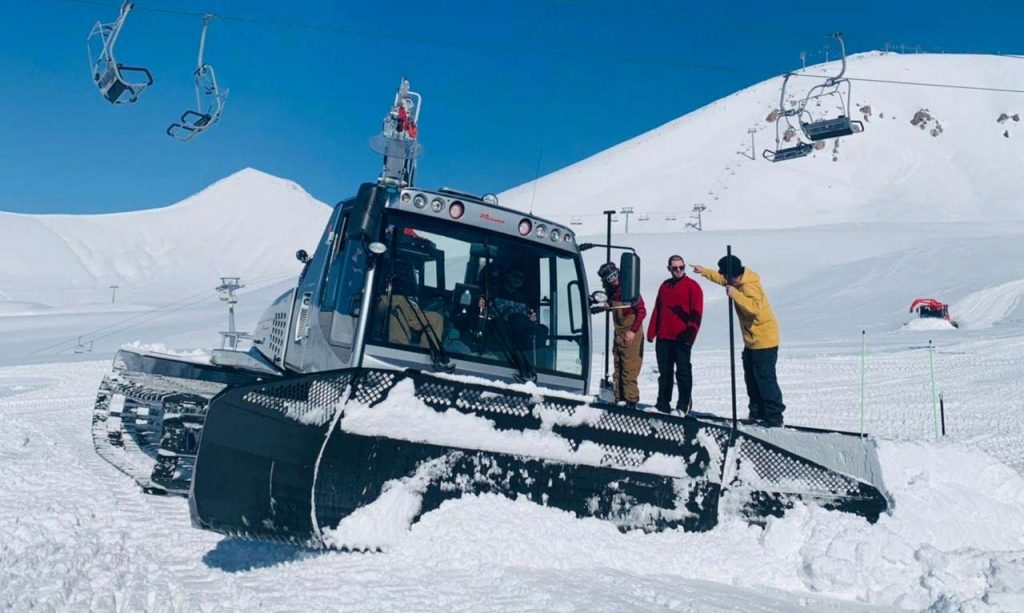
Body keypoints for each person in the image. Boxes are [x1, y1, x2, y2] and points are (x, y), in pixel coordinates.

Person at [692, 255, 785, 427]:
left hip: (764, 340)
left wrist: (735, 295)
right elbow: (723, 280)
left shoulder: (750, 286)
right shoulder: (736, 281)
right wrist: (704, 272)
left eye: (725, 275)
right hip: (751, 340)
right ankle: (756, 412)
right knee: (751, 378)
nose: (724, 278)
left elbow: (756, 309)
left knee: (765, 378)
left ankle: (774, 416)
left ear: (732, 274)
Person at [646, 255, 703, 414]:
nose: (679, 270)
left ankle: (683, 404)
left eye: (681, 267)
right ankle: (662, 403)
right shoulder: (665, 286)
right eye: (675, 268)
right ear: (669, 269)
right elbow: (658, 309)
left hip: (682, 338)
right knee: (665, 373)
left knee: (683, 373)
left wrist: (690, 336)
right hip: (664, 337)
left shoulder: (693, 286)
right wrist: (652, 332)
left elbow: (696, 313)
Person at [597, 262, 646, 410]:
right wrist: (608, 304)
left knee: (629, 368)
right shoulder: (612, 293)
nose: (614, 279)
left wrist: (633, 330)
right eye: (610, 277)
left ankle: (631, 401)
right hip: (618, 333)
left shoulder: (629, 289)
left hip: (631, 332)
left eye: (615, 275)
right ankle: (619, 398)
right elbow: (614, 304)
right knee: (618, 365)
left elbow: (641, 311)